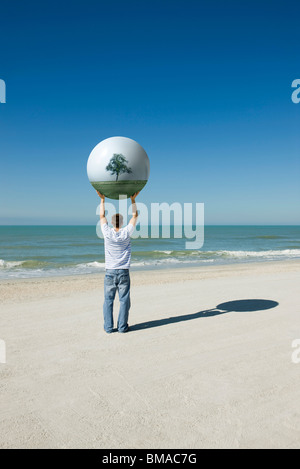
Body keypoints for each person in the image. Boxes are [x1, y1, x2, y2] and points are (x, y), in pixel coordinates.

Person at [97, 190, 139, 334]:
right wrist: (133, 200)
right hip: (123, 272)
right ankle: (122, 327)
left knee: (108, 300)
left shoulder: (107, 233)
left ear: (111, 222)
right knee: (124, 301)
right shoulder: (126, 232)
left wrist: (102, 200)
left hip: (109, 272)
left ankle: (108, 327)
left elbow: (102, 215)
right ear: (121, 222)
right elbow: (135, 215)